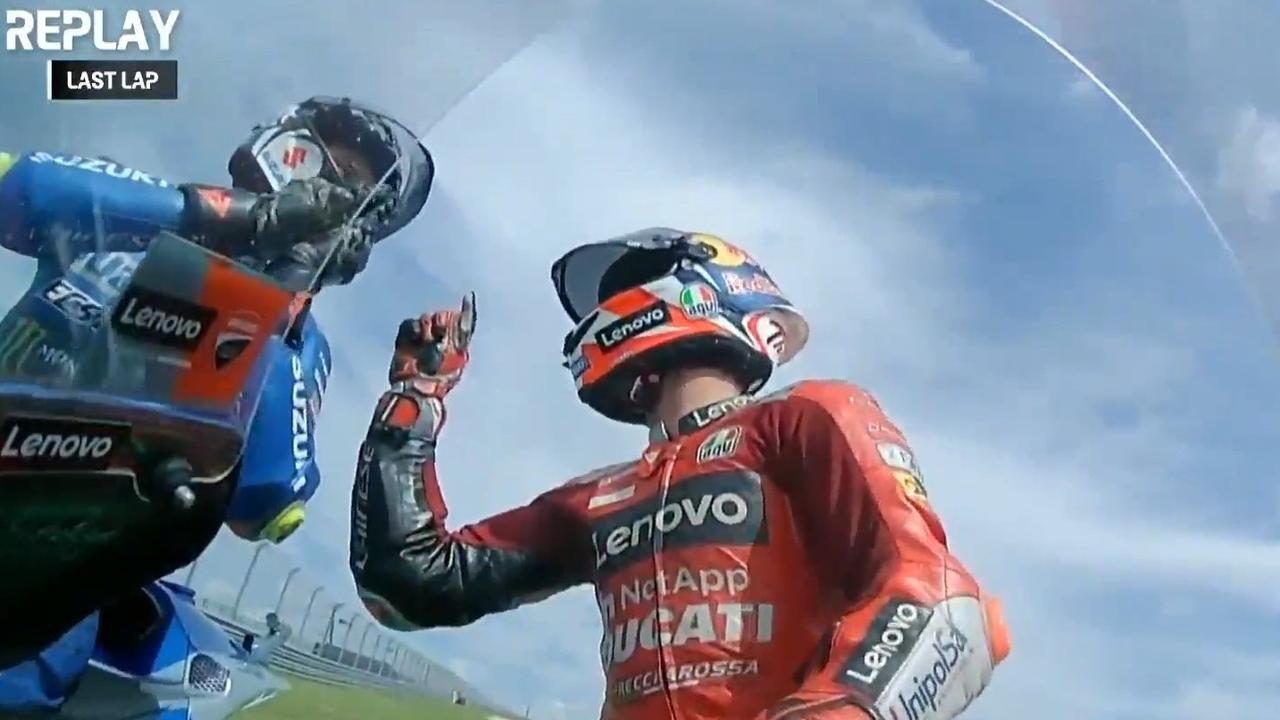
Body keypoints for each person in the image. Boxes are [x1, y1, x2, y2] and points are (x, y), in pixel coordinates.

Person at [350, 228, 1012, 719]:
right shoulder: (598, 497)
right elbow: (407, 584)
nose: (595, 318)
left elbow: (945, 605)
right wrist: (418, 396)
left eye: (618, 293)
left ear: (685, 290)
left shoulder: (804, 418)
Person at [0, 96, 434, 708]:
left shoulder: (300, 342)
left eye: (351, 186)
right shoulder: (138, 210)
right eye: (324, 158)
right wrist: (221, 217)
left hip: (43, 576)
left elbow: (267, 501)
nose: (327, 186)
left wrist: (281, 298)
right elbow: (15, 185)